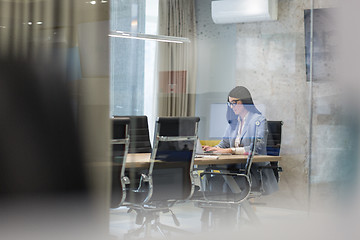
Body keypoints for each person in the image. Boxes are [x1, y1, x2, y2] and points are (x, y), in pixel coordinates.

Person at [203, 86, 278, 195]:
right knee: (212, 182)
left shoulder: (259, 120)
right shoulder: (234, 123)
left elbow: (257, 147)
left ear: (245, 101)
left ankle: (228, 211)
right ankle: (215, 211)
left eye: (234, 102)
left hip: (252, 173)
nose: (232, 106)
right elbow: (224, 144)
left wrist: (230, 151)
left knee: (227, 185)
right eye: (230, 103)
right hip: (234, 170)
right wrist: (213, 149)